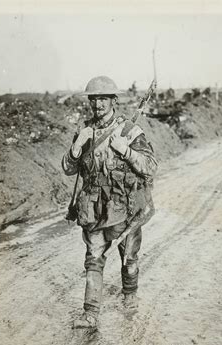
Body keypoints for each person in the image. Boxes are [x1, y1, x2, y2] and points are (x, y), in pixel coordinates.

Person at [62, 76, 158, 329]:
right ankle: (90, 313)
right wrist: (77, 147)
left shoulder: (129, 132)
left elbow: (150, 167)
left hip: (125, 207)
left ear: (114, 101)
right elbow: (68, 169)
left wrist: (126, 150)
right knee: (93, 258)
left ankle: (130, 296)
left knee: (129, 257)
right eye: (94, 99)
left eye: (103, 98)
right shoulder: (85, 131)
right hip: (94, 208)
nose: (98, 104)